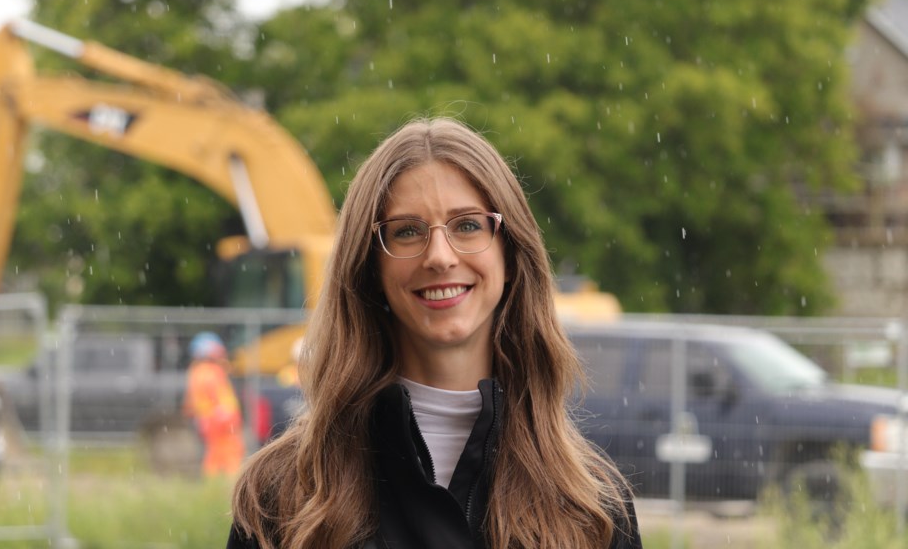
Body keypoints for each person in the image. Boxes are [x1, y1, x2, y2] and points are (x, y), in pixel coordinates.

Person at [228, 117, 643, 548]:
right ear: (369, 266)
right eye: (408, 231)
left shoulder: (590, 507)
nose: (440, 256)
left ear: (510, 253)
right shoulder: (281, 497)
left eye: (467, 225)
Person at [183, 331, 246, 477]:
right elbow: (220, 398)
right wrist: (227, 417)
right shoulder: (211, 372)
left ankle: (212, 484)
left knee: (214, 454)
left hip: (209, 420)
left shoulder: (195, 372)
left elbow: (190, 404)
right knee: (231, 453)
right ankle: (232, 483)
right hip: (221, 421)